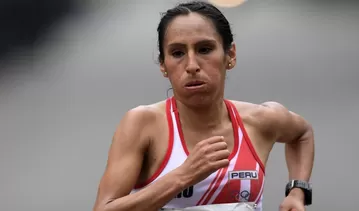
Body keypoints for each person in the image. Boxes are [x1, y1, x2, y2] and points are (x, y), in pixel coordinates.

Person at [92, 1, 315, 211]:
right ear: (163, 65)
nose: (191, 65)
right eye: (177, 53)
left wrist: (297, 190)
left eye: (204, 49)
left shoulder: (261, 120)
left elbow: (302, 134)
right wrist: (182, 176)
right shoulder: (142, 124)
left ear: (231, 55)